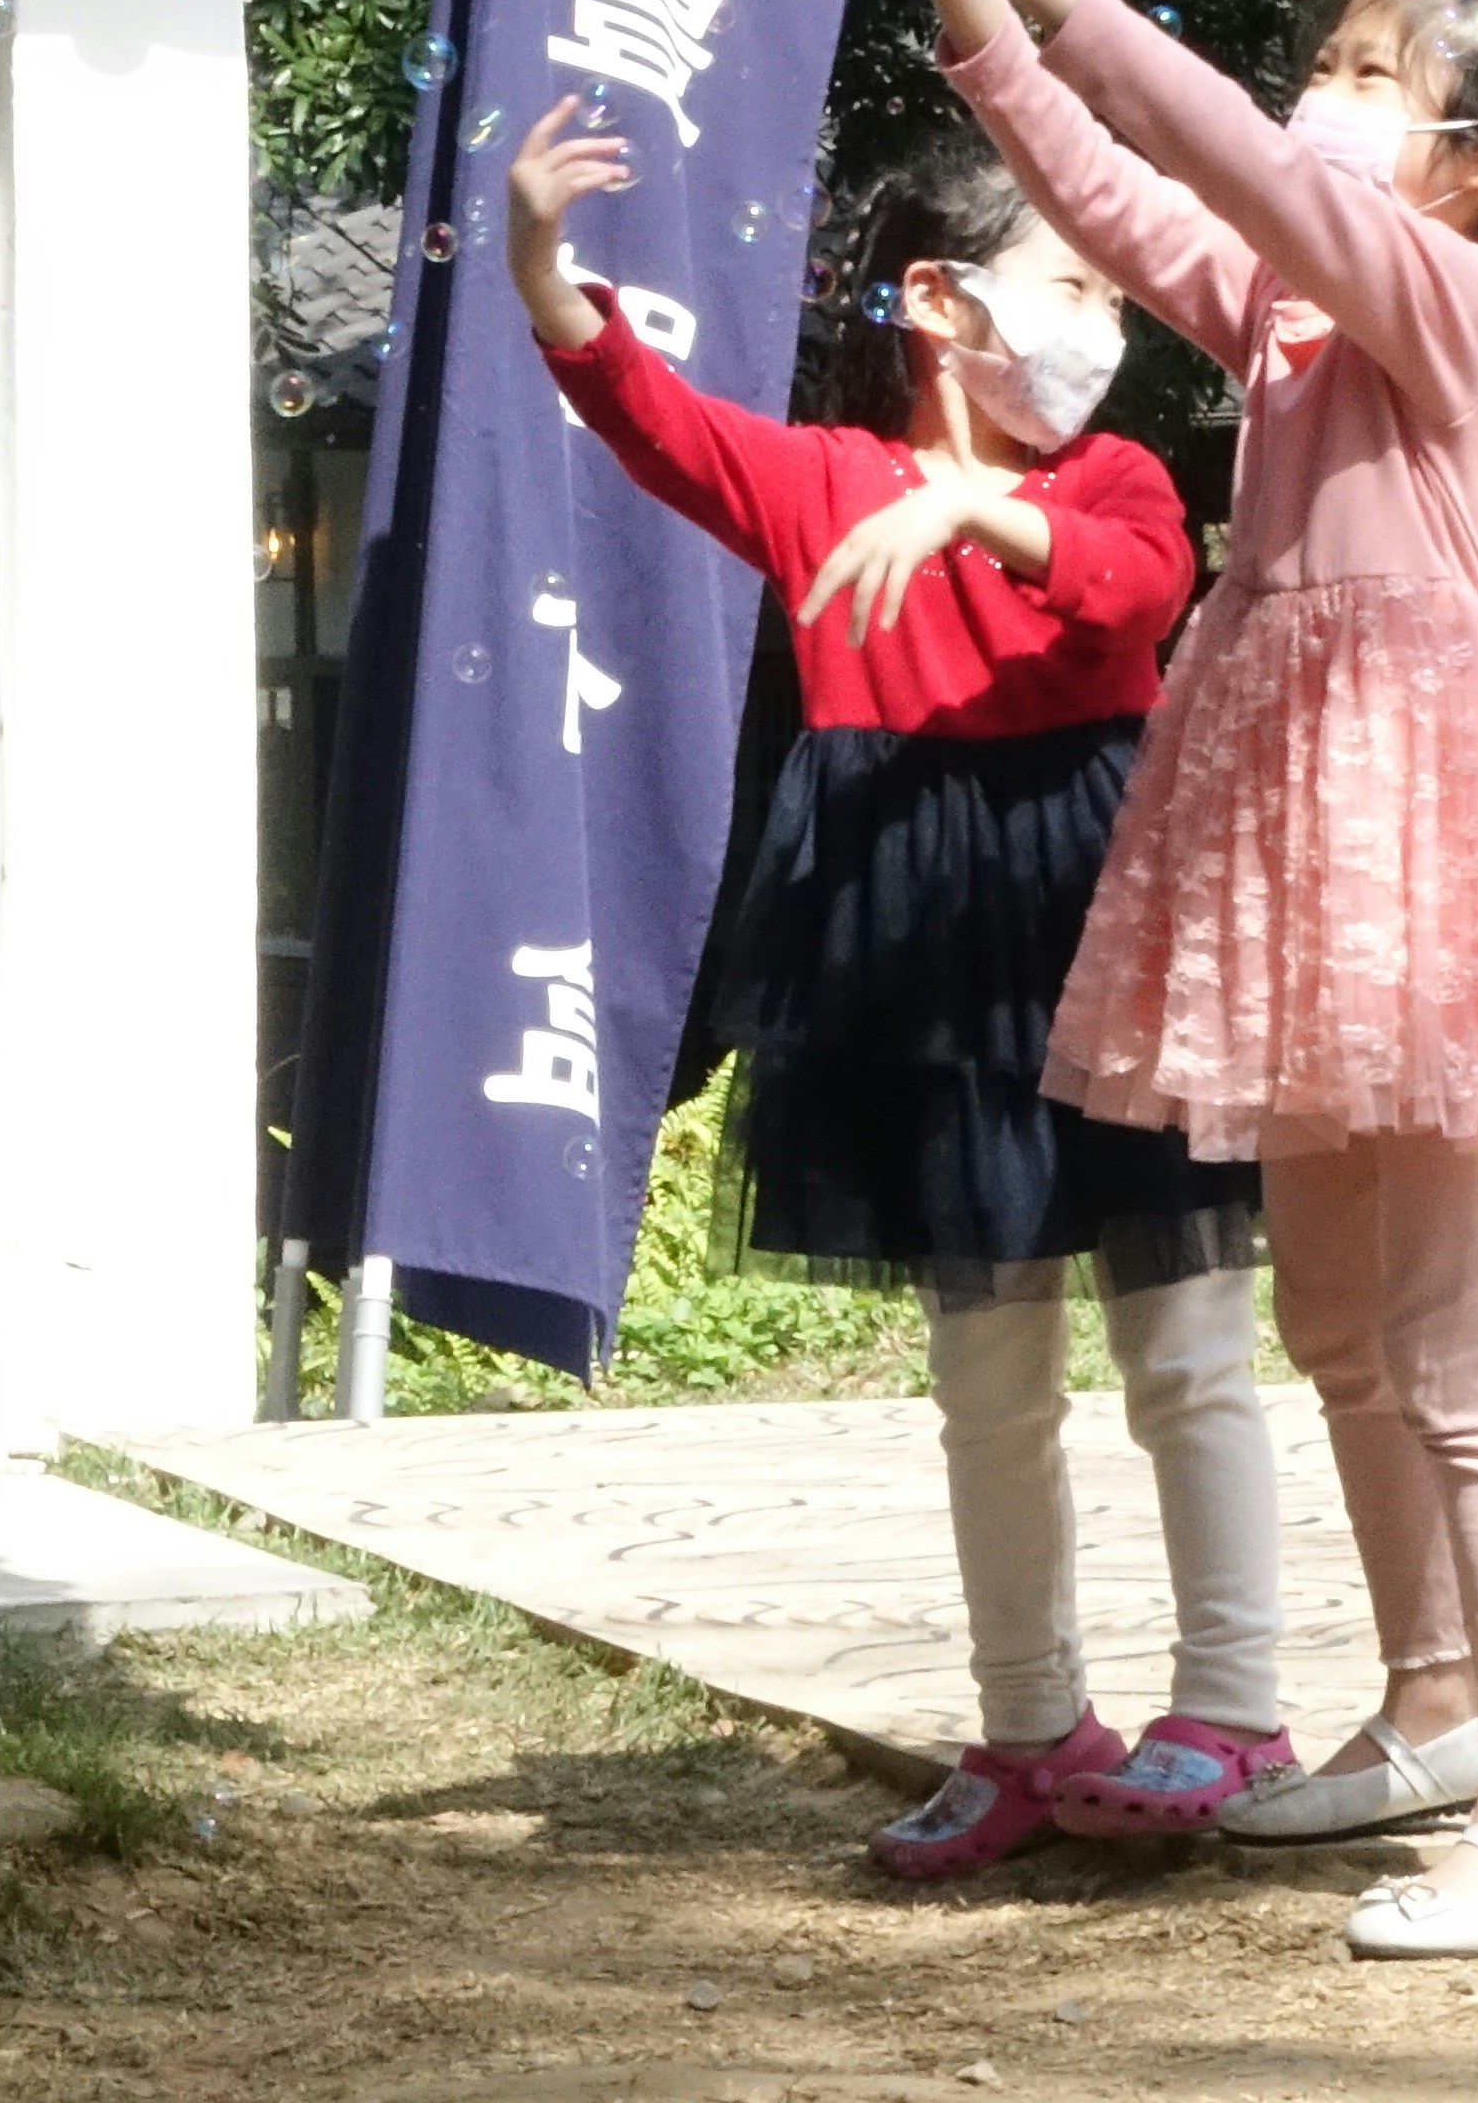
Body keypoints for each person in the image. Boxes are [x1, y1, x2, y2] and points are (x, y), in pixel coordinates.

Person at [821, 0, 1478, 1962]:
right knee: (1332, 1325)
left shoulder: (1462, 297)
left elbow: (1244, 174)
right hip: (1312, 844)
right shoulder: (1303, 326)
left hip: (1436, 845)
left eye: (1381, 75)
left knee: (1461, 1359)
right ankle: (1430, 1714)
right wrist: (974, 21)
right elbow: (1132, 203)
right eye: (1337, 54)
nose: (1332, 96)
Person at [503, 96, 1288, 1882]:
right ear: (941, 301)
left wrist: (966, 512)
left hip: (1106, 918)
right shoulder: (819, 483)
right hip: (914, 963)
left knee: (1187, 1344)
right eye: (1071, 281)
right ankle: (1031, 1728)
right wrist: (544, 257)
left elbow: (1134, 591)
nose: (1101, 324)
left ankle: (1232, 1707)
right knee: (988, 1378)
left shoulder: (1117, 476)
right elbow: (645, 416)